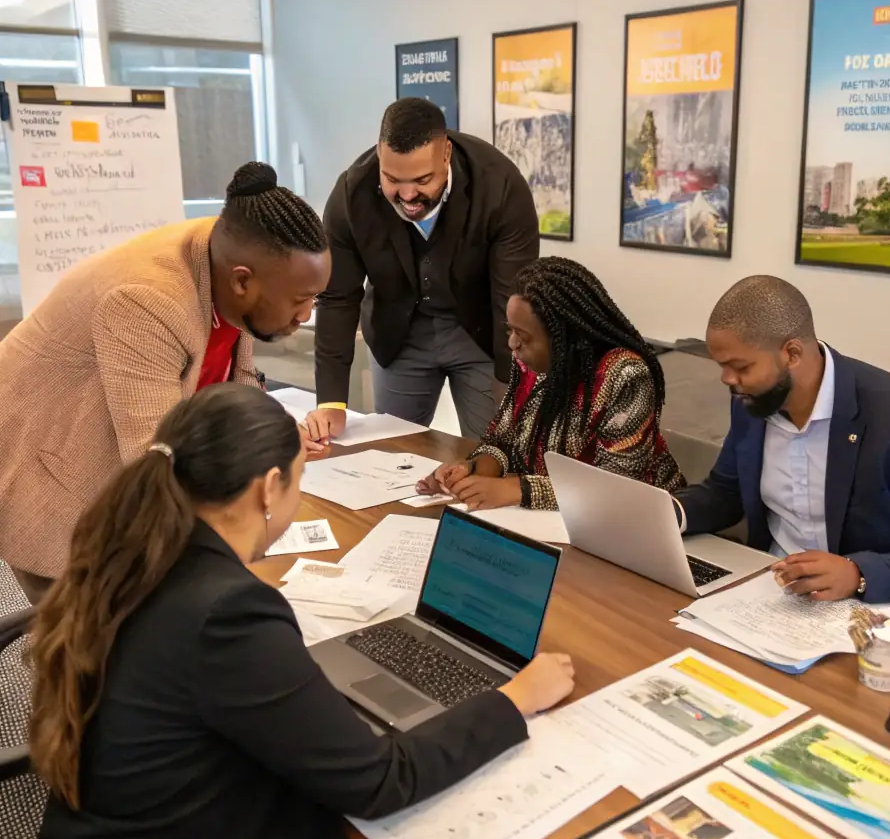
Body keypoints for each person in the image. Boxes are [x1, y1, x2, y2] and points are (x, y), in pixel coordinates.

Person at [8, 385, 573, 839]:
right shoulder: (225, 611)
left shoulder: (137, 560)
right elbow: (378, 781)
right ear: (269, 486)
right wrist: (513, 699)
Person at [0, 162, 330, 602]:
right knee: (89, 643)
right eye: (299, 300)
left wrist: (270, 438)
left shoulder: (232, 257)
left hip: (116, 456)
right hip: (54, 468)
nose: (306, 315)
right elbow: (157, 454)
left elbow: (239, 373)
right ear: (243, 282)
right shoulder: (149, 300)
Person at [675, 275, 890, 634]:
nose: (727, 380)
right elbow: (727, 492)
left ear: (792, 353)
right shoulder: (754, 401)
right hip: (775, 602)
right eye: (721, 366)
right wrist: (668, 514)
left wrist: (858, 573)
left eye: (741, 367)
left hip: (885, 618)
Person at [307, 98, 539, 445]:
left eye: (422, 179)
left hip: (481, 332)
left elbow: (512, 301)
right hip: (397, 333)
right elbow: (337, 298)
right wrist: (331, 401)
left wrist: (514, 400)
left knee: (494, 452)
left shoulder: (500, 187)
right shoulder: (351, 195)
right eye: (391, 179)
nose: (407, 195)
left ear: (445, 154)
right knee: (393, 457)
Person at [419, 258, 685, 511]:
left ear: (564, 338)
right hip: (557, 516)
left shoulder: (625, 375)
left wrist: (519, 490)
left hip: (638, 520)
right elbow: (502, 440)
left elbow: (614, 484)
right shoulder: (529, 364)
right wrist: (473, 470)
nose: (512, 344)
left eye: (522, 335)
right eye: (510, 330)